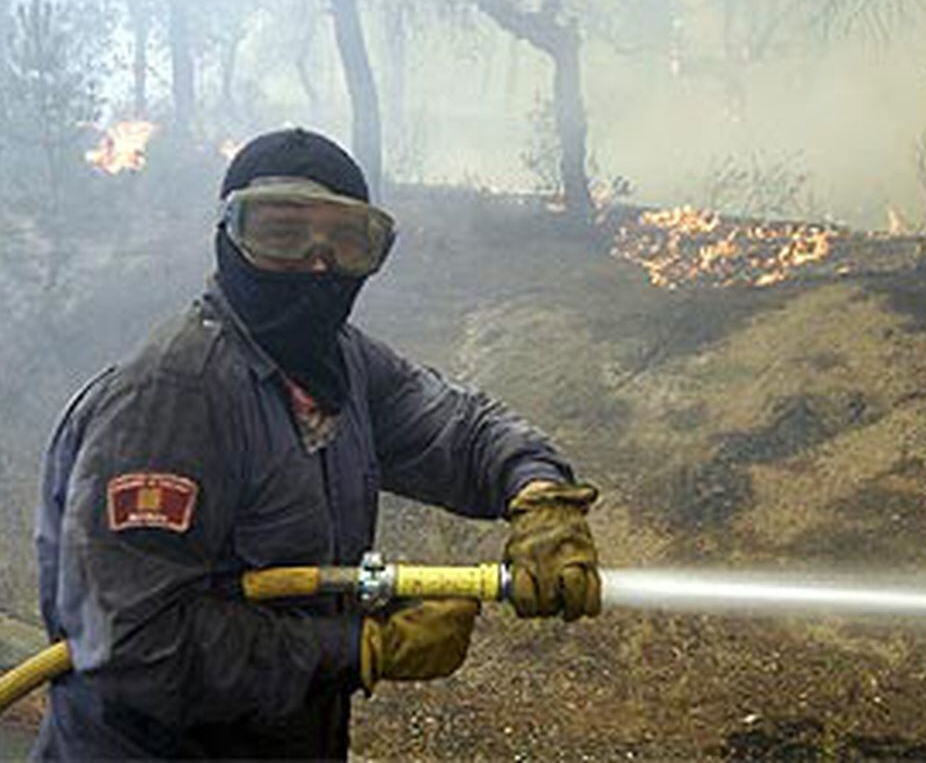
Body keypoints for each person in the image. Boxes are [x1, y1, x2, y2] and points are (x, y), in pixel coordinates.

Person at [32, 128, 601, 759]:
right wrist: (357, 648)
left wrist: (540, 493)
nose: (317, 264)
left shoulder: (338, 364)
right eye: (282, 235)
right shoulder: (172, 399)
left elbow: (458, 428)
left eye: (347, 242)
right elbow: (134, 643)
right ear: (230, 236)